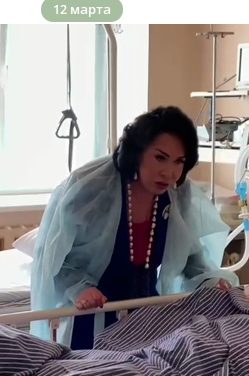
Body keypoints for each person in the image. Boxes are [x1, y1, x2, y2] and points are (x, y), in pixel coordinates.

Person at [30, 106, 239, 349]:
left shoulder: (177, 195)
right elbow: (52, 259)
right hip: (93, 314)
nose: (169, 172)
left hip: (149, 319)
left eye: (179, 161)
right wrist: (80, 289)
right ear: (137, 152)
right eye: (160, 157)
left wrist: (210, 281)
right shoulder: (91, 189)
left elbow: (190, 254)